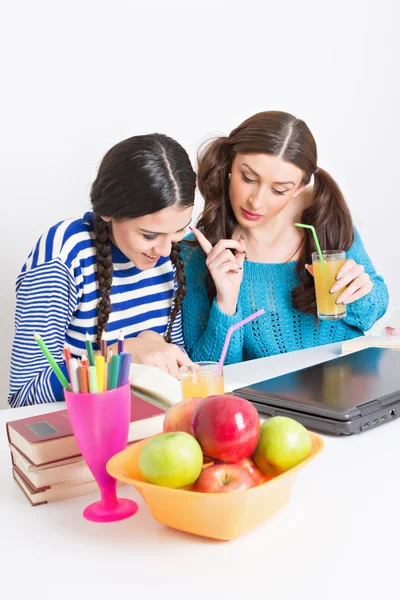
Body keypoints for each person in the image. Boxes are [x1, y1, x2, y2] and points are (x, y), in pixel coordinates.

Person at [181, 111, 388, 364]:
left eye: (279, 190)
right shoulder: (198, 253)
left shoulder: (325, 224)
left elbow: (373, 313)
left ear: (298, 188)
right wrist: (226, 303)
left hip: (355, 386)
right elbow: (209, 372)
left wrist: (361, 292)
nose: (256, 201)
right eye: (248, 178)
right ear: (229, 166)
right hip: (274, 402)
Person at [9, 133, 196, 407]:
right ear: (108, 211)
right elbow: (24, 394)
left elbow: (172, 364)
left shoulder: (171, 255)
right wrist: (119, 362)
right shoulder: (64, 254)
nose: (165, 250)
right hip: (79, 427)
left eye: (179, 229)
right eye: (148, 235)